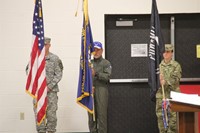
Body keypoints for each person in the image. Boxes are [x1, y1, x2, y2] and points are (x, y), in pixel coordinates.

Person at [29, 37, 63, 133]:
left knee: (51, 115)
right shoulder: (35, 58)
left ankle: (51, 131)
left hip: (51, 92)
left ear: (49, 45)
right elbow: (29, 72)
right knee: (39, 115)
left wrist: (49, 86)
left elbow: (59, 74)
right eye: (41, 45)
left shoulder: (55, 59)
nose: (43, 46)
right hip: (38, 92)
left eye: (45, 45)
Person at [156, 44, 182, 133]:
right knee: (161, 117)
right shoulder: (158, 66)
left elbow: (176, 79)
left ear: (172, 53)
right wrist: (158, 80)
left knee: (173, 119)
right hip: (161, 96)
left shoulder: (176, 65)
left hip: (172, 96)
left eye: (168, 52)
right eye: (164, 52)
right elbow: (153, 79)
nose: (166, 54)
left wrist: (166, 82)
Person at [88, 41, 112, 133]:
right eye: (94, 50)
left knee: (101, 116)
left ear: (102, 50)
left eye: (98, 50)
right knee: (91, 116)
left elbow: (108, 77)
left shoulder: (106, 63)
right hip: (90, 91)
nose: (96, 52)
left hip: (101, 90)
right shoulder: (89, 63)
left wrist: (96, 74)